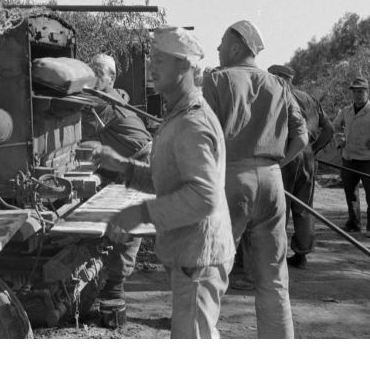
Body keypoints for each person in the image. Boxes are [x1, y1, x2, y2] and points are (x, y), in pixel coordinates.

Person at [92, 27, 235, 338]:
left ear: (184, 66)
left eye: (159, 60)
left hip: (199, 258)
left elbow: (202, 197)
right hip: (190, 253)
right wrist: (125, 167)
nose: (151, 67)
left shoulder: (193, 122)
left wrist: (139, 214)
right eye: (150, 59)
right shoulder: (178, 114)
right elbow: (171, 181)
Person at [202, 21, 308, 339]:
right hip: (272, 181)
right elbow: (301, 139)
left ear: (236, 47)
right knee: (274, 275)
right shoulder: (278, 84)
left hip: (231, 179)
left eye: (222, 43)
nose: (218, 49)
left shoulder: (216, 80)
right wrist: (273, 165)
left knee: (210, 271)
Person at [82, 53, 152, 303]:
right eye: (91, 71)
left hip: (141, 162)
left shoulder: (105, 103)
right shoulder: (113, 97)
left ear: (112, 78)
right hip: (133, 161)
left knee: (130, 224)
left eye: (99, 73)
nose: (94, 77)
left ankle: (114, 288)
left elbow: (78, 128)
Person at [268, 65, 333, 268]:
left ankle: (275, 255)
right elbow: (328, 129)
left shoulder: (277, 97)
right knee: (304, 206)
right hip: (307, 158)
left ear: (280, 78)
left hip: (286, 155)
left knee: (280, 206)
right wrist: (313, 150)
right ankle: (302, 254)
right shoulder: (310, 99)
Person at [333, 76, 370, 235]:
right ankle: (354, 223)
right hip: (348, 158)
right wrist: (340, 140)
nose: (358, 95)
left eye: (361, 91)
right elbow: (335, 126)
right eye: (355, 92)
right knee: (351, 194)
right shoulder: (346, 111)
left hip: (368, 159)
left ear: (367, 92)